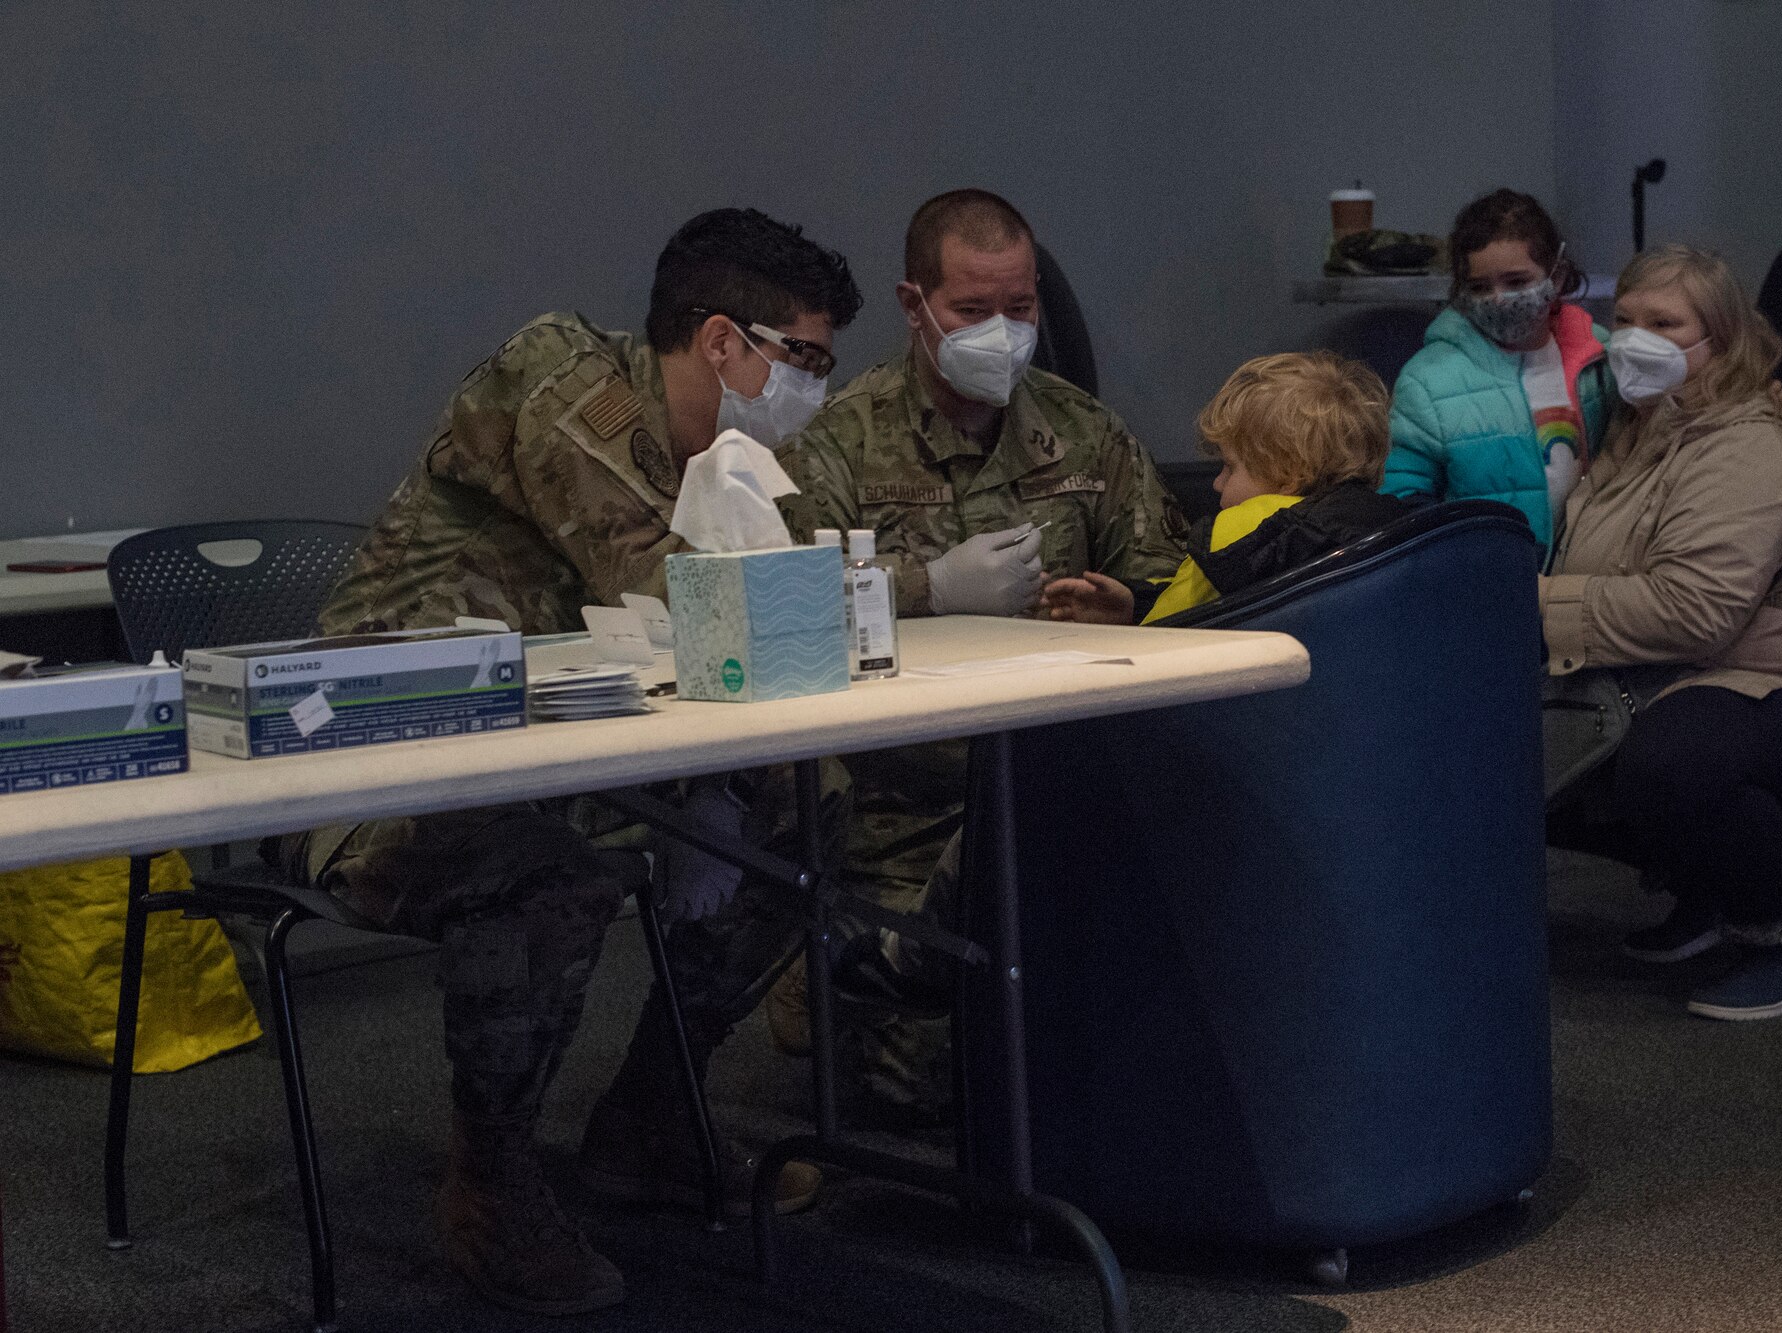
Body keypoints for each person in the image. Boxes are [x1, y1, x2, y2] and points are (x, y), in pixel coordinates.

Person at [285, 208, 862, 1315]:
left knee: (809, 802)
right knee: (545, 865)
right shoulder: (560, 381)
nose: (815, 391)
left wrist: (729, 789)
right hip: (371, 764)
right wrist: (709, 783)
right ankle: (493, 1181)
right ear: (721, 343)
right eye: (805, 359)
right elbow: (673, 595)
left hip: (562, 746)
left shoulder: (724, 460)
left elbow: (765, 614)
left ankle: (652, 1117)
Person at [773, 188, 1187, 1115]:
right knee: (952, 1088)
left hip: (1059, 797)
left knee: (1127, 1056)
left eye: (1020, 308)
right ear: (914, 304)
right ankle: (821, 963)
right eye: (971, 311)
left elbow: (1176, 589)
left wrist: (1132, 605)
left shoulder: (1083, 432)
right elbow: (782, 618)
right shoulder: (836, 439)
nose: (1000, 331)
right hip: (901, 816)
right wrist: (929, 589)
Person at [1543, 244, 1782, 1021]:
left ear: (1723, 341)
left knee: (1671, 762)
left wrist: (1534, 611)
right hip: (1687, 682)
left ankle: (1781, 925)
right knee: (1527, 751)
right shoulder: (1639, 429)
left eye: (1666, 323)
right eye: (1626, 319)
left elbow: (1692, 609)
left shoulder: (1747, 443)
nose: (1637, 338)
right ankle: (1705, 890)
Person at [1043, 350, 1411, 624]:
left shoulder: (1239, 539)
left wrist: (1135, 622)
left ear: (1289, 475)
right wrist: (1135, 602)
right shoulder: (1394, 532)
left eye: (1229, 467)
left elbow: (1165, 636)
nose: (1217, 483)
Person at [1382, 188, 1615, 560]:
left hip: (1586, 582)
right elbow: (1401, 500)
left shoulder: (1600, 360)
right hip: (1483, 583)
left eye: (1517, 282)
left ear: (1556, 275)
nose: (1499, 299)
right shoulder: (1428, 381)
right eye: (1479, 287)